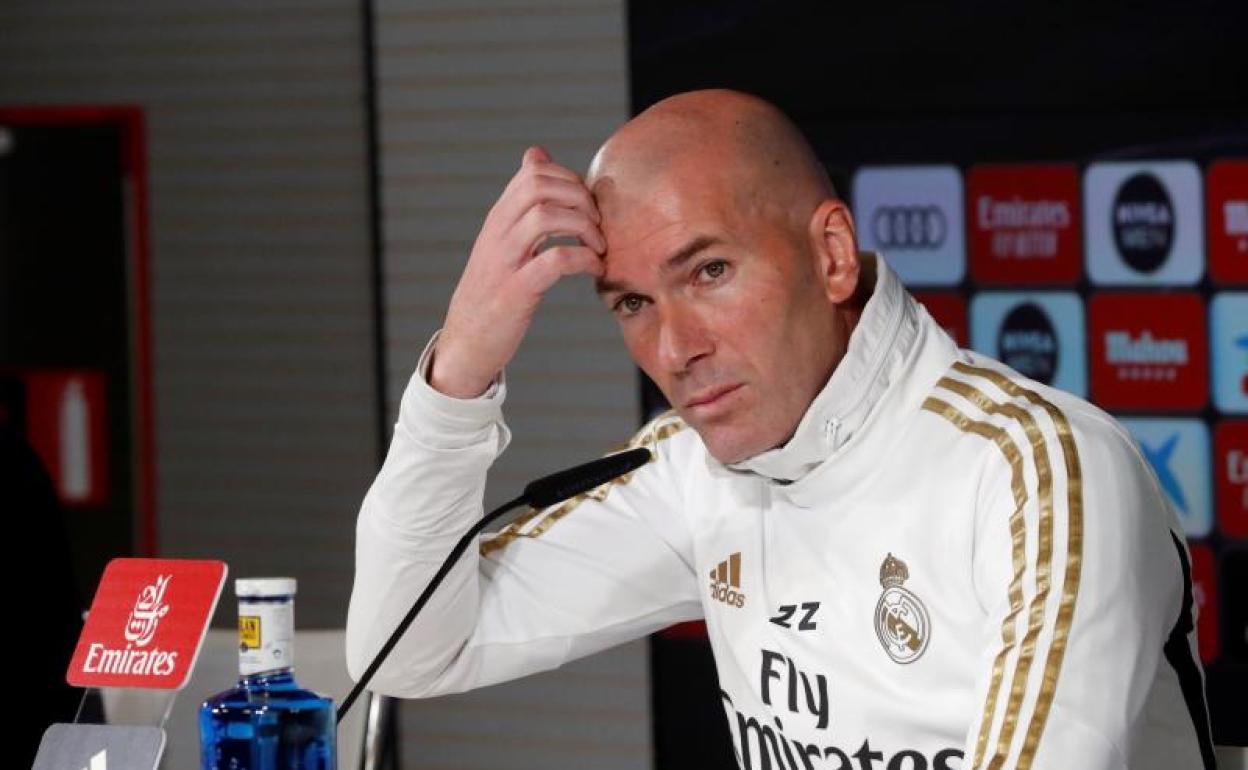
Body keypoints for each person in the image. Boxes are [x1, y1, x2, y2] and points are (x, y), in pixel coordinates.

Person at [345, 90, 1214, 769]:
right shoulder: (692, 471)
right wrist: (459, 367)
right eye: (634, 304)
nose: (677, 347)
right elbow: (409, 649)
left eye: (711, 270)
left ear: (831, 255)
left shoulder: (1040, 471)